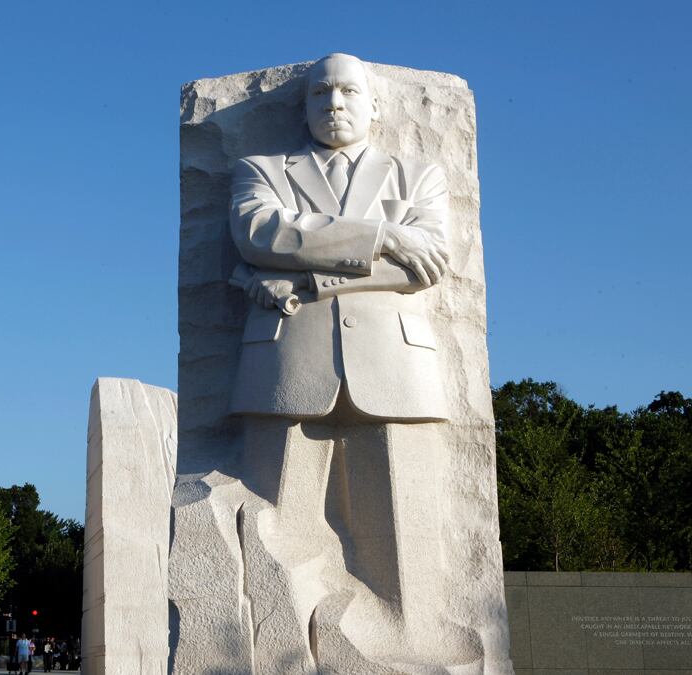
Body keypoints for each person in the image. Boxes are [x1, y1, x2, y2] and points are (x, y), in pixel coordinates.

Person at [225, 52, 477, 665]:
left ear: (374, 103)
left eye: (347, 92)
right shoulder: (261, 170)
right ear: (303, 106)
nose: (333, 104)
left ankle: (416, 651)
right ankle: (280, 655)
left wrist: (310, 280)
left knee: (408, 545)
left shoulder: (419, 176)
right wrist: (382, 236)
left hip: (395, 367)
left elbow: (429, 266)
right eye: (320, 94)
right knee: (274, 532)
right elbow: (262, 234)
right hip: (287, 365)